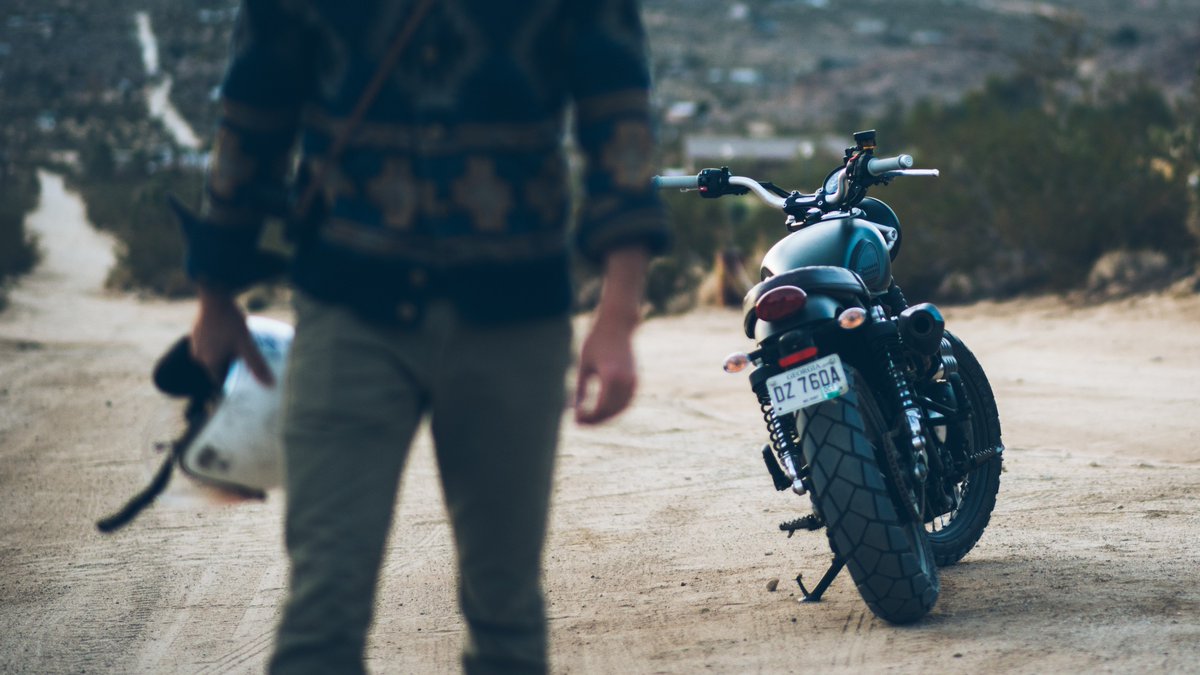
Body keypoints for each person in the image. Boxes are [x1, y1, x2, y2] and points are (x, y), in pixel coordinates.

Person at [181, 1, 669, 673]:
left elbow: (618, 116)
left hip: (514, 315)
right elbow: (253, 110)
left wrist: (618, 311)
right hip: (350, 307)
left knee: (507, 616)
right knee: (321, 615)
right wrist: (215, 294)